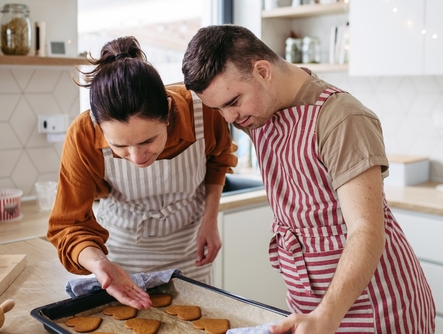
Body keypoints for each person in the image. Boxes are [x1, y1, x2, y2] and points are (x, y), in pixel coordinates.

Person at [182, 24, 435, 334]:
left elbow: (366, 230)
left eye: (232, 102)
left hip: (376, 307)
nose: (229, 119)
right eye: (218, 108)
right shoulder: (255, 109)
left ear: (263, 71)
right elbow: (174, 101)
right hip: (309, 306)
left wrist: (326, 315)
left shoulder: (341, 117)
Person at [47, 36, 237, 310]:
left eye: (149, 141)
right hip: (121, 256)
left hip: (189, 248)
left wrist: (210, 220)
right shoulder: (83, 135)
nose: (137, 157)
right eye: (119, 146)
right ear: (100, 128)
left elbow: (219, 160)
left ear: (169, 113)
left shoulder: (203, 112)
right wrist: (100, 264)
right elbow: (69, 225)